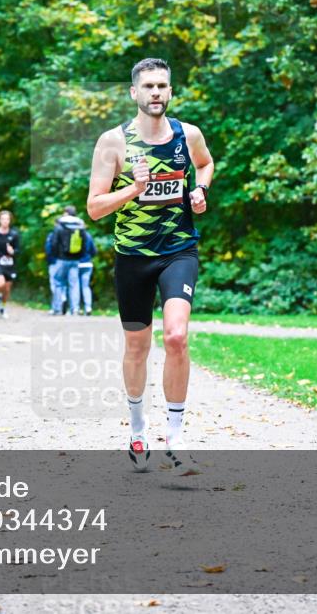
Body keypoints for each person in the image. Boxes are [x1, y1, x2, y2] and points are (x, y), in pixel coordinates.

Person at [85, 58, 213, 473]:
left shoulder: (187, 135)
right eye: (148, 86)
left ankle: (175, 438)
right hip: (133, 256)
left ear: (171, 92)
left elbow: (205, 165)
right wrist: (135, 189)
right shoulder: (113, 143)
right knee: (137, 346)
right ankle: (137, 429)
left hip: (178, 250)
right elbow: (95, 208)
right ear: (134, 93)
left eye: (162, 86)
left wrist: (200, 190)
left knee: (176, 336)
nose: (156, 93)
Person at [51, 206, 87, 316]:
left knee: (58, 283)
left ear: (66, 213)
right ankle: (75, 309)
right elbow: (84, 243)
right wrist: (79, 256)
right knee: (74, 284)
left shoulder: (60, 226)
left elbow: (54, 243)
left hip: (62, 259)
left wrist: (56, 255)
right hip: (75, 260)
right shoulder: (80, 226)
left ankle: (57, 309)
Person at [77, 229, 97, 316]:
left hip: (76, 264)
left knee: (75, 286)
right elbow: (94, 251)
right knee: (86, 286)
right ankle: (88, 307)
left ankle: (77, 308)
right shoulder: (88, 235)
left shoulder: (75, 235)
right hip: (88, 264)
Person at [45, 226, 64, 316]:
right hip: (70, 260)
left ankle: (56, 307)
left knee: (55, 284)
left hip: (55, 262)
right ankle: (72, 307)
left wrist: (50, 259)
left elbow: (49, 248)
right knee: (68, 284)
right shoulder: (75, 230)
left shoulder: (52, 235)